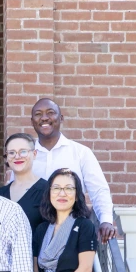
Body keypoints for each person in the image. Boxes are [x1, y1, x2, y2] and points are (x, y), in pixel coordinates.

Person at [31, 98, 115, 243]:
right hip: (32, 231)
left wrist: (105, 220)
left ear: (61, 118)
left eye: (50, 113)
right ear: (32, 121)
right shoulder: (26, 155)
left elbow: (99, 190)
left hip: (72, 233)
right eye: (38, 114)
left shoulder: (80, 152)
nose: (44, 117)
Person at [34, 168, 97, 272]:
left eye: (68, 188)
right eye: (56, 188)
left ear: (76, 196)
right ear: (49, 193)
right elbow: (35, 270)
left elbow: (85, 269)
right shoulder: (41, 229)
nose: (62, 193)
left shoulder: (84, 226)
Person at [0, 133, 48, 272]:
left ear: (34, 154)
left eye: (22, 151)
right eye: (11, 153)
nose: (17, 156)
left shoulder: (47, 191)